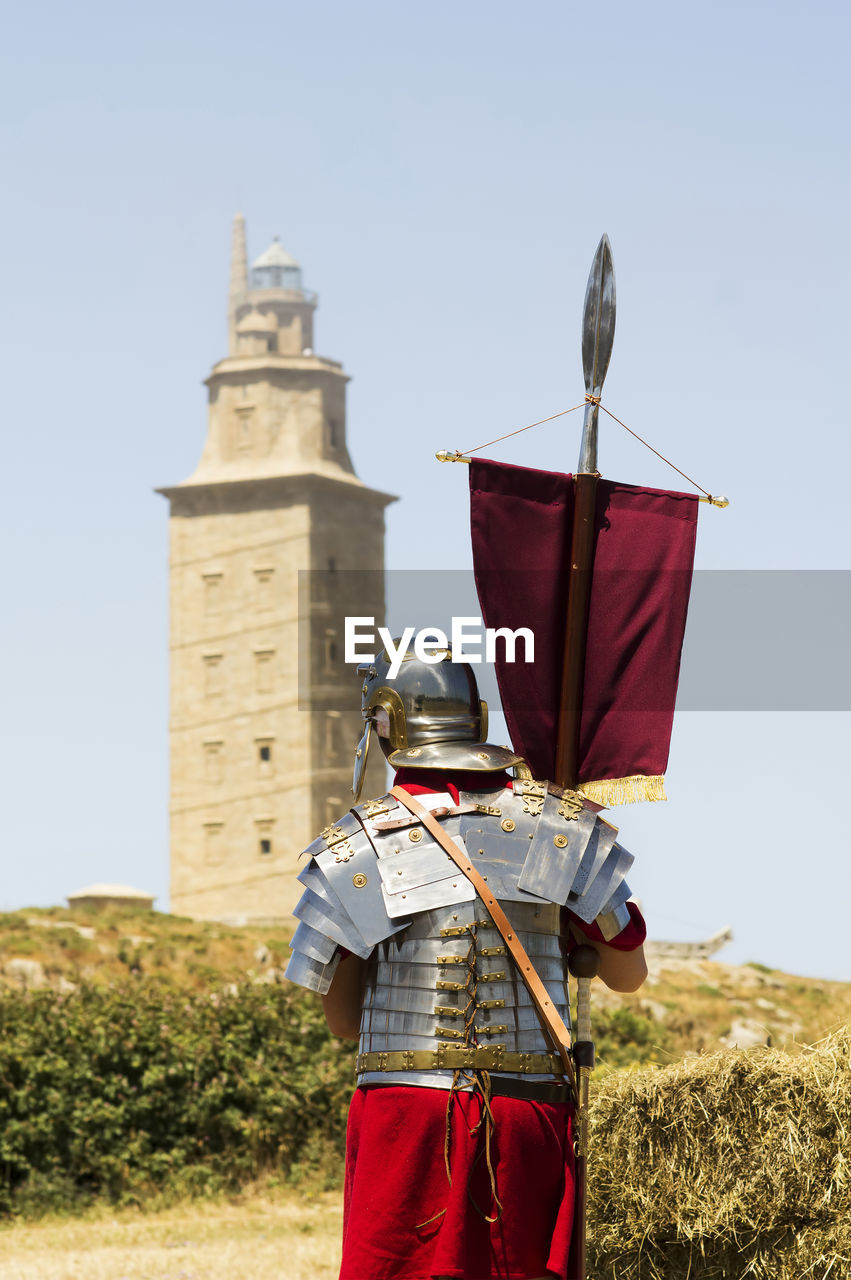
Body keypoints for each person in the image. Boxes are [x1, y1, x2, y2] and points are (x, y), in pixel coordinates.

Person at [286, 642, 647, 1280]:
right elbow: (628, 974)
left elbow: (342, 1020)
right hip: (526, 1108)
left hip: (408, 1117)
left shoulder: (358, 843)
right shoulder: (560, 828)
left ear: (388, 723)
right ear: (476, 719)